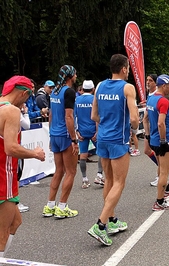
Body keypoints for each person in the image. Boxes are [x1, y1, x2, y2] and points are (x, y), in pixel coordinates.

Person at [87, 54, 139, 246]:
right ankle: (100, 224)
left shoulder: (99, 86)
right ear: (124, 69)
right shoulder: (127, 87)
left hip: (103, 138)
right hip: (119, 140)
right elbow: (134, 119)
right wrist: (133, 128)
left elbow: (94, 115)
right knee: (119, 182)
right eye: (128, 69)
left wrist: (108, 124)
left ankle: (111, 220)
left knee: (108, 180)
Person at [0, 75, 45, 259]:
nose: (27, 101)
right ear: (22, 93)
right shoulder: (11, 111)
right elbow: (10, 147)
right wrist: (35, 153)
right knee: (2, 234)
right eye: (28, 96)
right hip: (4, 177)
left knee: (16, 222)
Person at [42, 65, 79, 219]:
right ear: (71, 76)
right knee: (71, 171)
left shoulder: (54, 92)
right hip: (65, 135)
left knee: (59, 170)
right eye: (75, 74)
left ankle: (50, 205)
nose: (77, 76)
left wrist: (51, 135)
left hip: (55, 134)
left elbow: (50, 115)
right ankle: (62, 206)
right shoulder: (69, 92)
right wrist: (74, 139)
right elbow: (69, 117)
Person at [144, 74, 169, 211]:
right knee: (165, 172)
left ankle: (165, 191)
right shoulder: (163, 101)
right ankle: (159, 201)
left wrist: (147, 135)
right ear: (164, 86)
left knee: (160, 168)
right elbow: (161, 123)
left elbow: (145, 119)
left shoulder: (151, 98)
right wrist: (164, 141)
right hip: (163, 140)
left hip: (153, 139)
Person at [74, 80, 104, 189]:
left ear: (82, 89)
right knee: (101, 153)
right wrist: (97, 131)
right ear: (93, 89)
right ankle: (99, 175)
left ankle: (84, 179)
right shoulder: (94, 99)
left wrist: (76, 131)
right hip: (93, 130)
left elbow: (74, 116)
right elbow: (96, 116)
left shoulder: (77, 100)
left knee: (83, 155)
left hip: (82, 131)